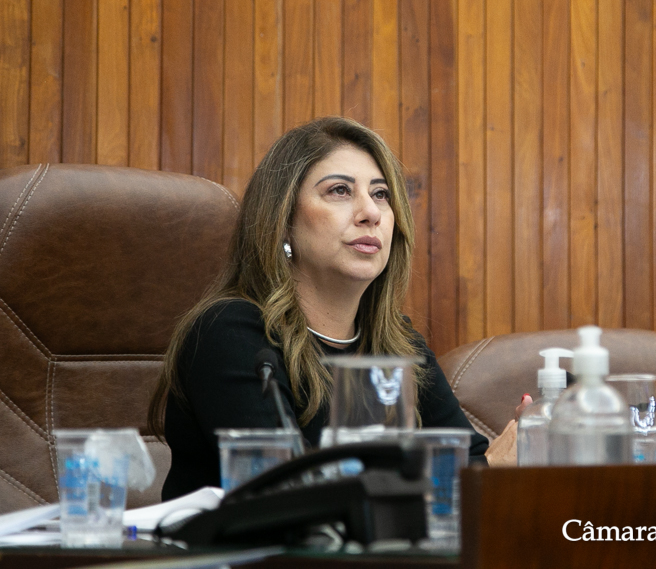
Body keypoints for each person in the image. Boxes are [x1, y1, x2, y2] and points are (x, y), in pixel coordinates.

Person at [150, 116, 490, 500]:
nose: (371, 213)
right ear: (283, 221)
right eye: (340, 191)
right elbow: (288, 492)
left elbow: (469, 462)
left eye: (381, 194)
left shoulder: (399, 342)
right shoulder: (231, 334)